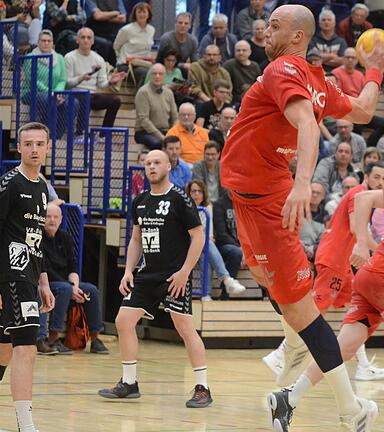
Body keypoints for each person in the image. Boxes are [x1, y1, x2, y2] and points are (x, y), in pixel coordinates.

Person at [219, 4, 384, 429]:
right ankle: (292, 340)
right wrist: (374, 71)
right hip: (247, 200)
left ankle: (350, 410)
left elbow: (309, 128)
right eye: (266, 23)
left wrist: (302, 184)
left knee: (302, 312)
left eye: (275, 25)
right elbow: (364, 110)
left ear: (298, 36)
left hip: (267, 202)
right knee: (272, 289)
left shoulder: (284, 71)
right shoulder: (316, 81)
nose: (265, 30)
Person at [270, 159, 384, 432]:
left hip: (370, 278)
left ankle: (289, 397)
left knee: (340, 350)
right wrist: (359, 241)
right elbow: (364, 197)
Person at [98, 150, 212, 407]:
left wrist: (184, 272)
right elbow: (136, 239)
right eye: (147, 163)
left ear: (169, 166)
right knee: (123, 321)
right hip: (147, 274)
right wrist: (129, 270)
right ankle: (129, 383)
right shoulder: (140, 201)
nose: (151, 166)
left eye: (156, 162)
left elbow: (199, 236)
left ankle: (203, 388)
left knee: (185, 328)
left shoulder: (180, 198)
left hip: (174, 276)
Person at [263, 162, 384, 380]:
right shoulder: (359, 193)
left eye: (383, 179)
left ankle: (363, 366)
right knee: (314, 312)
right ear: (365, 177)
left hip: (341, 259)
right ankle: (280, 354)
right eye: (376, 177)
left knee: (357, 310)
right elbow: (355, 228)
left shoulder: (364, 196)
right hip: (335, 258)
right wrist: (382, 253)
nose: (380, 182)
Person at [0, 122, 55, 432]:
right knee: (26, 347)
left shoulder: (43, 187)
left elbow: (36, 239)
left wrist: (44, 281)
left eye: (39, 144)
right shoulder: (9, 184)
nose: (34, 149)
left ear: (47, 148)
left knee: (4, 348)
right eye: (28, 143)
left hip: (30, 277)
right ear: (19, 147)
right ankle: (26, 427)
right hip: (10, 275)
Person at [38, 203, 108, 354]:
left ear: (61, 219)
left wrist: (75, 287)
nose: (52, 220)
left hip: (67, 283)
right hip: (48, 282)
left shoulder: (66, 237)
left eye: (55, 217)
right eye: (48, 216)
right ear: (42, 218)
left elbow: (73, 267)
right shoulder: (39, 238)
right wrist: (70, 287)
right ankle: (53, 338)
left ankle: (95, 338)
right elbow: (45, 269)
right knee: (64, 289)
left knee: (91, 290)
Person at [187, 180, 246, 300]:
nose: (196, 194)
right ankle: (226, 279)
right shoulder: (184, 208)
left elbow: (210, 233)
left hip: (204, 245)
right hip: (187, 244)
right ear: (189, 193)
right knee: (205, 242)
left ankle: (206, 294)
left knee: (206, 255)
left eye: (199, 191)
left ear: (204, 194)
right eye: (193, 191)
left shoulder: (208, 207)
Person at [64, 27, 127, 129]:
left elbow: (102, 84)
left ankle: (104, 134)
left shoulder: (98, 59)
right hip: (74, 93)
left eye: (89, 38)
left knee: (116, 100)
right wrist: (80, 79)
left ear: (92, 41)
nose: (86, 40)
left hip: (91, 95)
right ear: (77, 40)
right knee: (85, 96)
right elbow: (66, 83)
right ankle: (80, 132)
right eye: (83, 37)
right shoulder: (69, 57)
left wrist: (110, 81)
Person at [134, 63, 179, 150]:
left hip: (166, 131)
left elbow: (175, 117)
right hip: (145, 132)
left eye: (160, 74)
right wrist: (162, 137)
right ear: (150, 75)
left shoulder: (169, 92)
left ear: (165, 76)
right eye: (154, 74)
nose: (157, 76)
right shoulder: (143, 92)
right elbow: (144, 120)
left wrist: (172, 133)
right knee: (157, 143)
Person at [112, 2, 155, 87]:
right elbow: (116, 46)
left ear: (148, 14)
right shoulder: (126, 30)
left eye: (144, 12)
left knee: (159, 71)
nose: (141, 15)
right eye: (139, 12)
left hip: (143, 63)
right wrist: (121, 58)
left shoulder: (151, 30)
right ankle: (141, 98)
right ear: (135, 14)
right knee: (145, 73)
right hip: (126, 65)